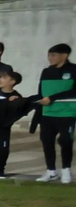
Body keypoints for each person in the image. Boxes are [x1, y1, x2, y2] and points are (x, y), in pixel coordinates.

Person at [30, 43, 75, 184]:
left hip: (67, 113)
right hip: (47, 113)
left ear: (64, 55)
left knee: (66, 140)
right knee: (47, 141)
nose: (50, 58)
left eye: (53, 55)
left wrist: (53, 98)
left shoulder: (74, 70)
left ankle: (66, 170)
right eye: (49, 55)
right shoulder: (46, 71)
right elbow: (41, 92)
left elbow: (74, 91)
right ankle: (51, 171)